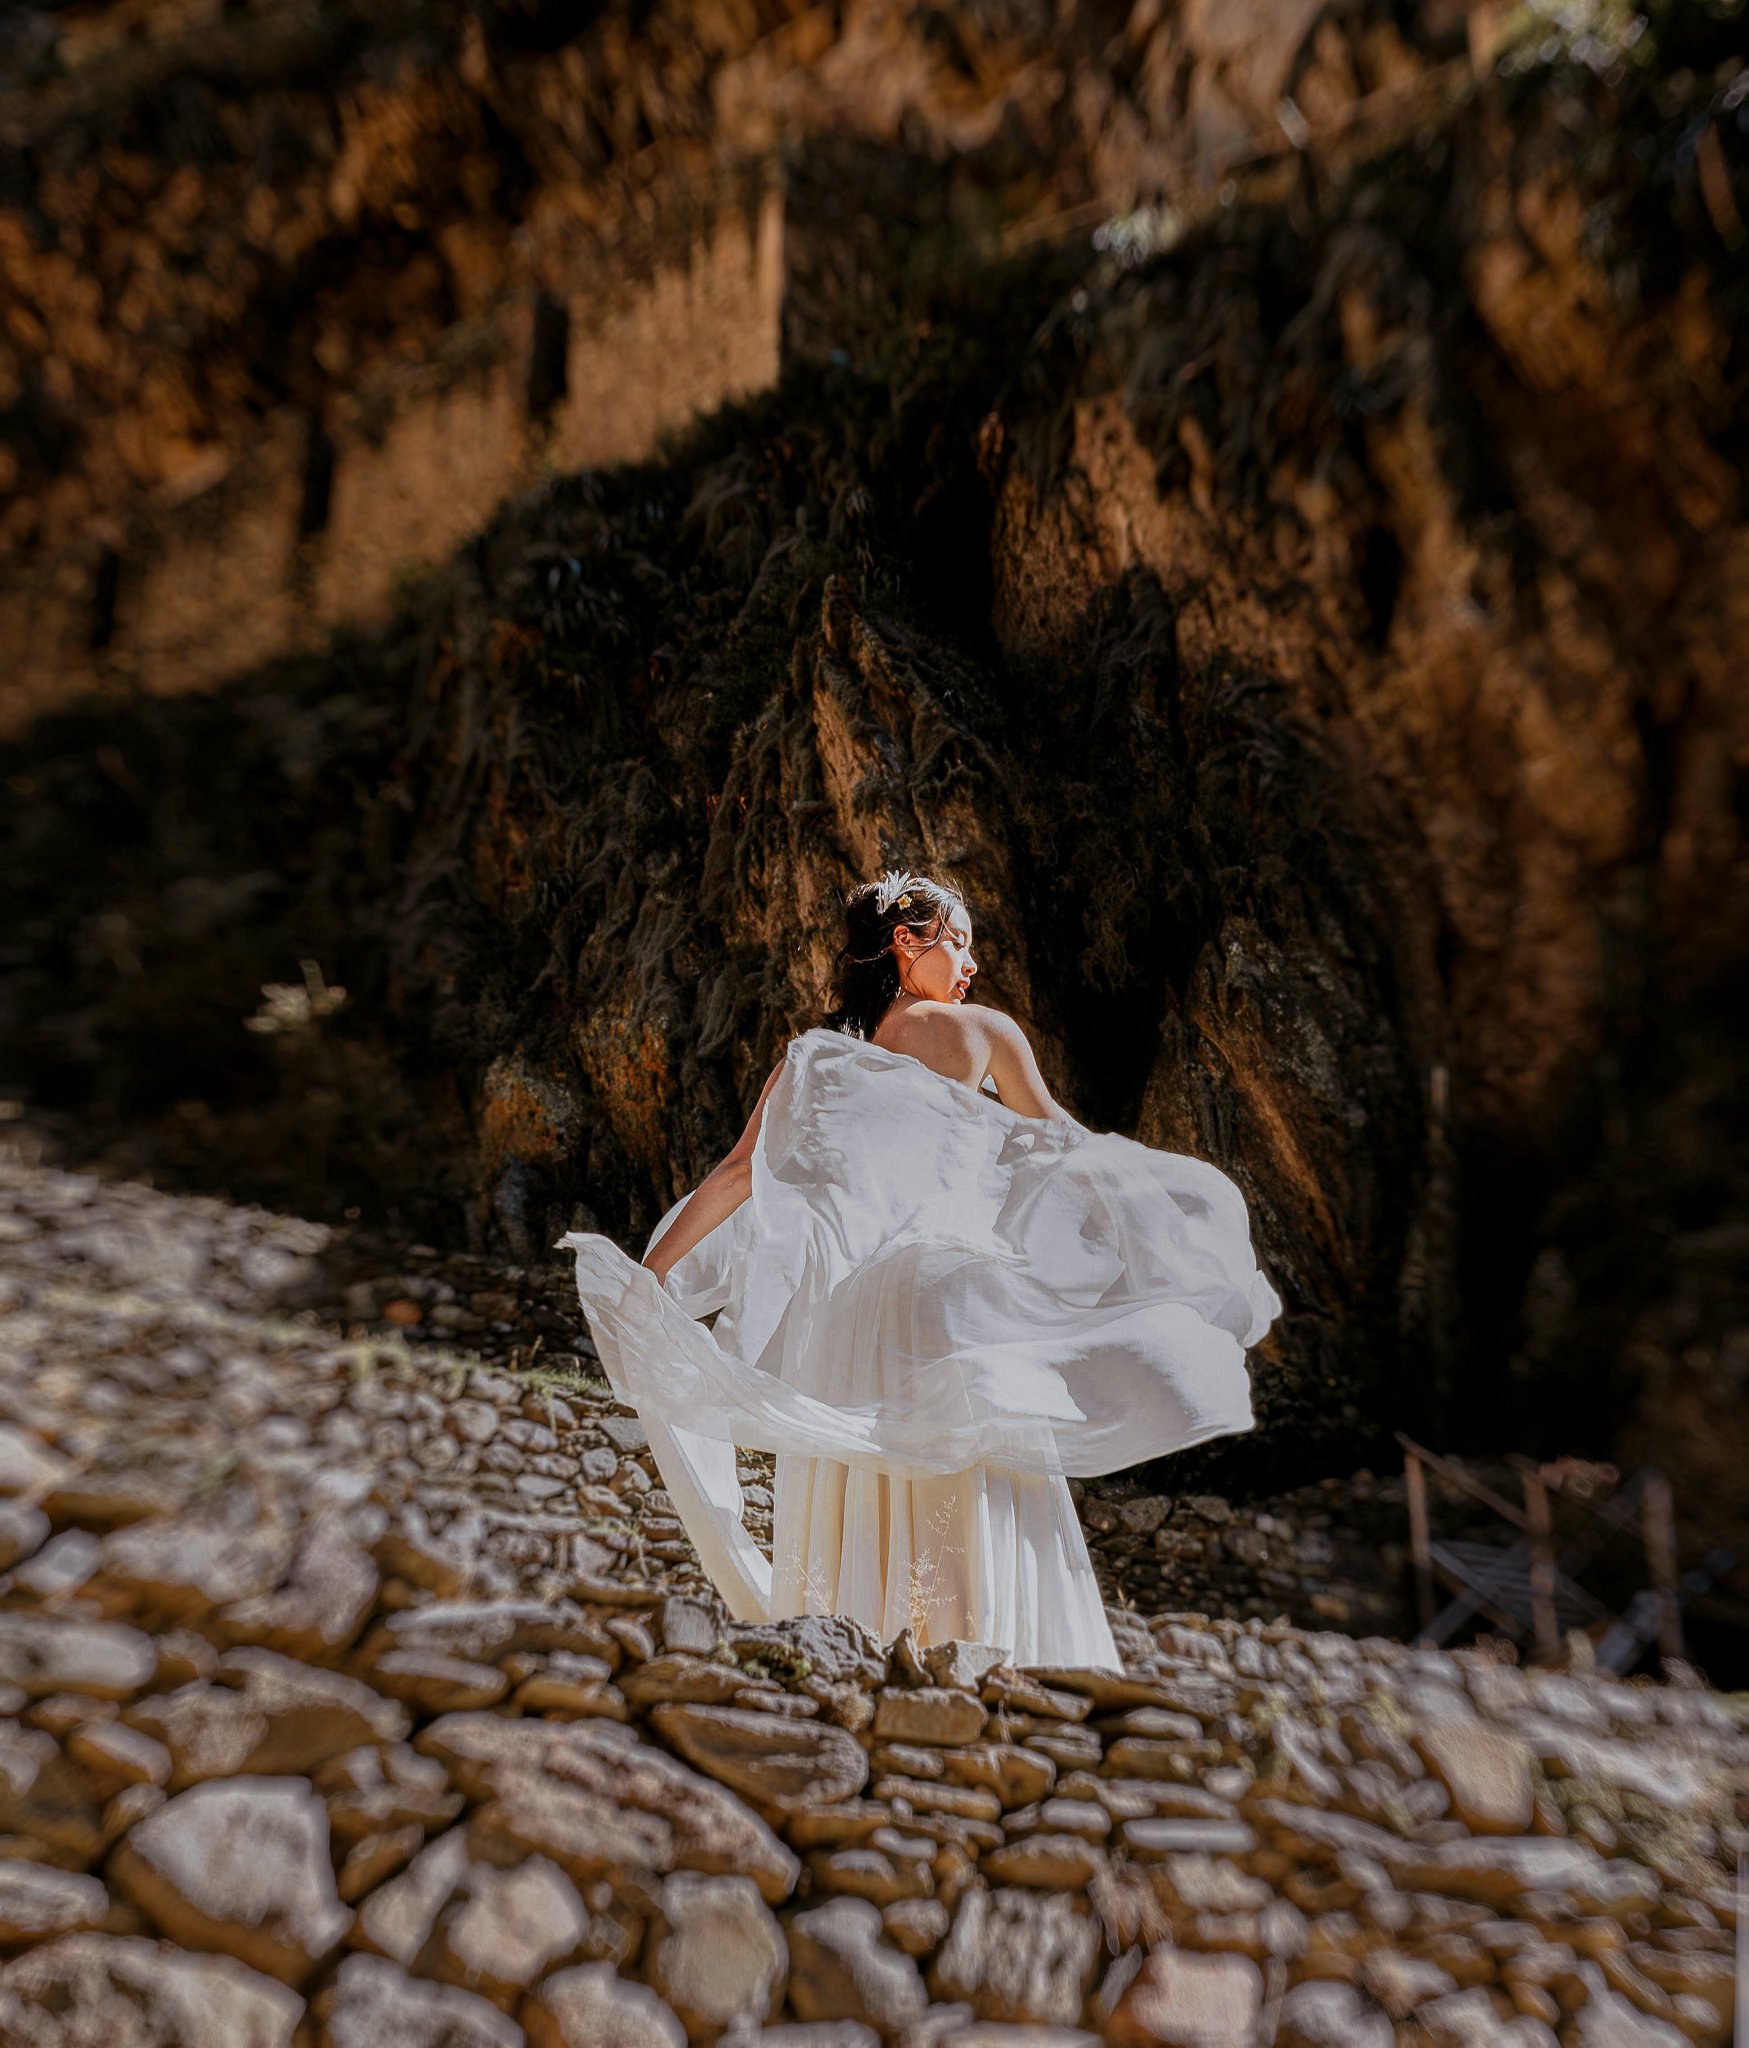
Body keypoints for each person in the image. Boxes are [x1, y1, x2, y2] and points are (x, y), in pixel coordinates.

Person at [559, 868, 1282, 1670]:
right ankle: (984, 1650)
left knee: (862, 1462)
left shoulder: (815, 1059)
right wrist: (1171, 1212)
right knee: (970, 1457)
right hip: (946, 1291)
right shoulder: (982, 1031)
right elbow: (1064, 1149)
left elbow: (735, 1174)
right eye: (960, 940)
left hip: (850, 1311)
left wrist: (649, 1276)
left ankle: (855, 1647)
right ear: (906, 943)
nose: (971, 962)